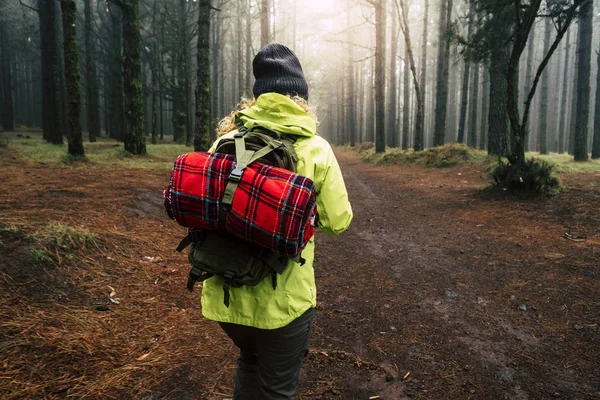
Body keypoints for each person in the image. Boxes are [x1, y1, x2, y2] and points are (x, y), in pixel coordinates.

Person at [201, 43, 353, 399]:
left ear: (257, 96)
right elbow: (337, 221)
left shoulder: (226, 140)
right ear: (300, 97)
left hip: (226, 295)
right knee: (277, 388)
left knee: (249, 361)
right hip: (284, 302)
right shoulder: (315, 148)